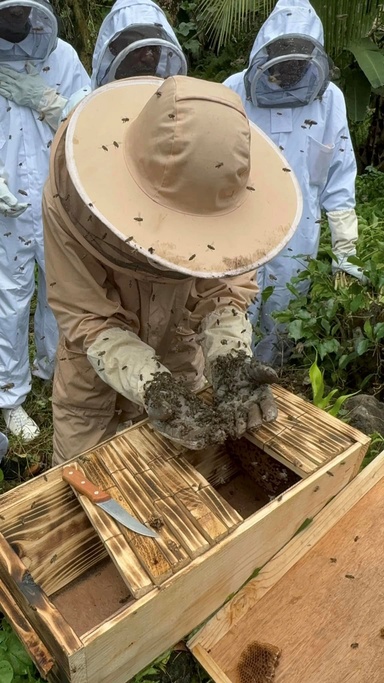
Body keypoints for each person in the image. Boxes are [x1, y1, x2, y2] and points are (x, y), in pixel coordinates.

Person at [42, 74, 302, 465]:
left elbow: (227, 286)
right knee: (88, 493)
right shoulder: (72, 198)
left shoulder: (222, 195)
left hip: (183, 356)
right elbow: (85, 315)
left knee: (189, 487)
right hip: (92, 379)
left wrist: (229, 356)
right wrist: (153, 386)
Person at [224, 0, 366, 365]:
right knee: (230, 313)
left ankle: (275, 385)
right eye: (282, 60)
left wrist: (345, 257)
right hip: (238, 225)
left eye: (297, 63)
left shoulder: (329, 99)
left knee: (287, 317)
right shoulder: (231, 91)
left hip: (300, 234)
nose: (288, 70)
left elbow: (339, 177)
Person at [0, 1, 90, 441]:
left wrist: (47, 101)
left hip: (58, 200)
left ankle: (55, 374)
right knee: (9, 299)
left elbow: (88, 123)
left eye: (21, 12)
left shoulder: (65, 57)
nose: (15, 21)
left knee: (62, 293)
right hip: (6, 209)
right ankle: (10, 396)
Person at [0, 0, 188, 129]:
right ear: (113, 48)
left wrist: (52, 105)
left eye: (153, 48)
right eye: (137, 47)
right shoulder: (87, 98)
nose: (148, 57)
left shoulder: (178, 104)